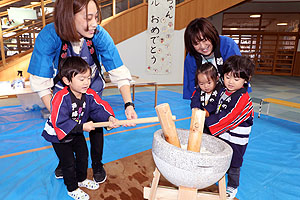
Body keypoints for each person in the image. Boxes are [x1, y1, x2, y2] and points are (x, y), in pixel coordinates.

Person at [27, 0, 137, 183]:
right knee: (63, 129)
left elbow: (118, 70)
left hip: (91, 90)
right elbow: (41, 83)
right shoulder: (49, 36)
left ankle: (97, 164)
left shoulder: (99, 35)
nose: (95, 23)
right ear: (68, 17)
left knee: (96, 126)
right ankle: (65, 161)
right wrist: (59, 116)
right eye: (88, 18)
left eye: (96, 17)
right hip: (63, 94)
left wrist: (128, 105)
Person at [42, 57, 119, 200]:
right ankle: (72, 188)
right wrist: (82, 126)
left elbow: (98, 108)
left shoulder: (89, 94)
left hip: (77, 131)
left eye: (88, 78)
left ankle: (81, 179)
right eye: (81, 79)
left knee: (83, 156)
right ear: (67, 81)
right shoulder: (60, 97)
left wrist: (109, 118)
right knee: (68, 163)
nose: (87, 82)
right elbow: (59, 121)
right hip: (60, 135)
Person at [203, 55, 254, 199]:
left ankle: (232, 186)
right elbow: (214, 103)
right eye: (227, 77)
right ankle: (215, 177)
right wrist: (206, 110)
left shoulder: (243, 99)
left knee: (234, 163)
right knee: (219, 154)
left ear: (246, 79)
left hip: (236, 138)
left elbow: (228, 117)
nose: (230, 82)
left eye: (236, 79)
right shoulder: (223, 90)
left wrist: (207, 121)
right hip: (223, 133)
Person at [183, 17, 241, 99]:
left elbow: (239, 74)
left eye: (204, 40)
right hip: (207, 94)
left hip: (231, 92)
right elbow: (191, 85)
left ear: (211, 34)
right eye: (196, 44)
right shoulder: (191, 57)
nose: (202, 46)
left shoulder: (228, 45)